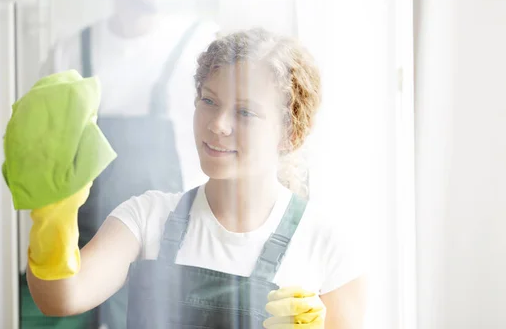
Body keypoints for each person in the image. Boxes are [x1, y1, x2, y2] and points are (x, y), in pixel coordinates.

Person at [22, 28, 368, 328]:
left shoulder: (325, 245)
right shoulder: (147, 219)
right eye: (209, 101)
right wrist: (53, 211)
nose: (217, 124)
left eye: (245, 112)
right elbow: (61, 298)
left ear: (291, 134)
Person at [25, 0, 218, 327]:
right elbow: (42, 158)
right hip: (85, 248)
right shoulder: (70, 52)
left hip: (173, 245)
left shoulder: (199, 46)